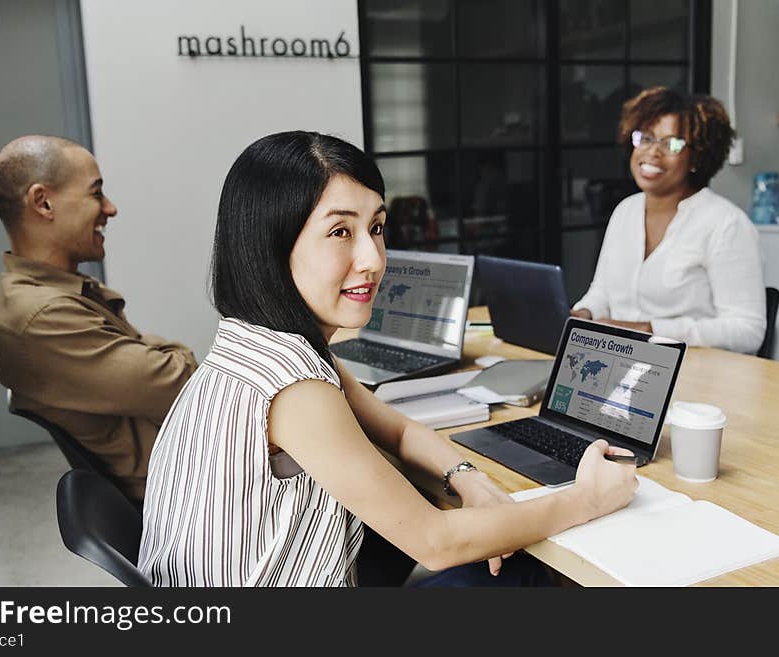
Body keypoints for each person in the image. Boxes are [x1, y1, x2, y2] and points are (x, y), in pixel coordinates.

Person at [137, 131, 638, 587]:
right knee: (533, 577)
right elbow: (436, 542)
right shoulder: (294, 388)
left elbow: (397, 431)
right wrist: (588, 498)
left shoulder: (258, 342)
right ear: (270, 245)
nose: (374, 259)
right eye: (340, 233)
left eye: (376, 227)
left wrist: (469, 479)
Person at [0, 135, 199, 502]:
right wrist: (170, 354)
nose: (110, 208)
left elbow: (165, 371)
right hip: (192, 499)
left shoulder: (60, 292)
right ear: (43, 202)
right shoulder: (42, 315)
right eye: (95, 193)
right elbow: (183, 384)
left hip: (193, 469)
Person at [571, 87, 766, 354]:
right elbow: (602, 293)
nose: (652, 152)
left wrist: (650, 330)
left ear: (697, 156)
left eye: (671, 143)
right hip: (618, 363)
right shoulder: (625, 211)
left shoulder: (726, 223)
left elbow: (747, 330)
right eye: (646, 138)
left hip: (697, 375)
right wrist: (583, 313)